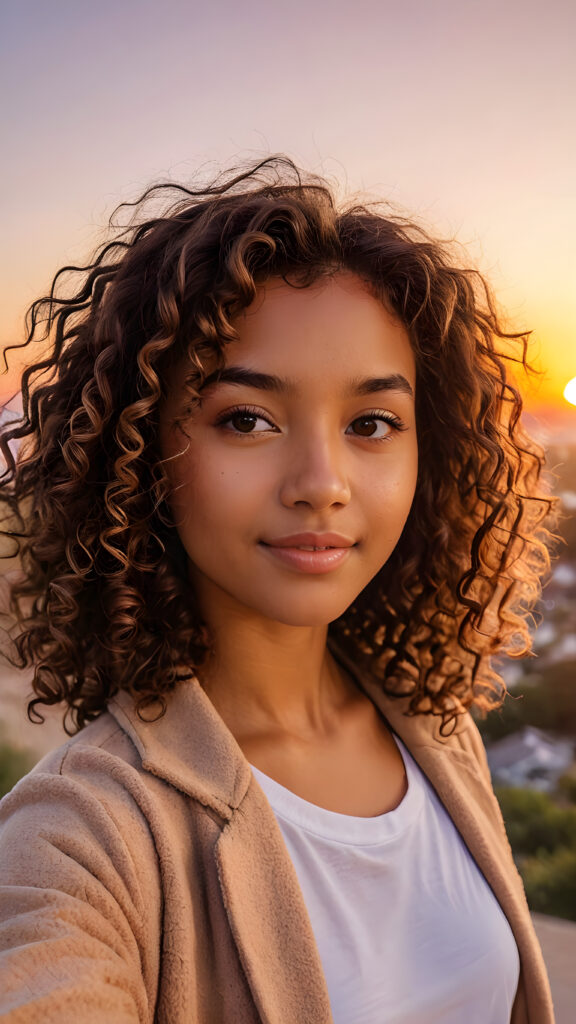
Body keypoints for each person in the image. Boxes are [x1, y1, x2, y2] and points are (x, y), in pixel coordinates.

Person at [0, 156, 556, 1023]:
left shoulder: (437, 731)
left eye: (372, 423)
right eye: (247, 419)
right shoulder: (81, 838)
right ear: (140, 454)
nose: (322, 482)